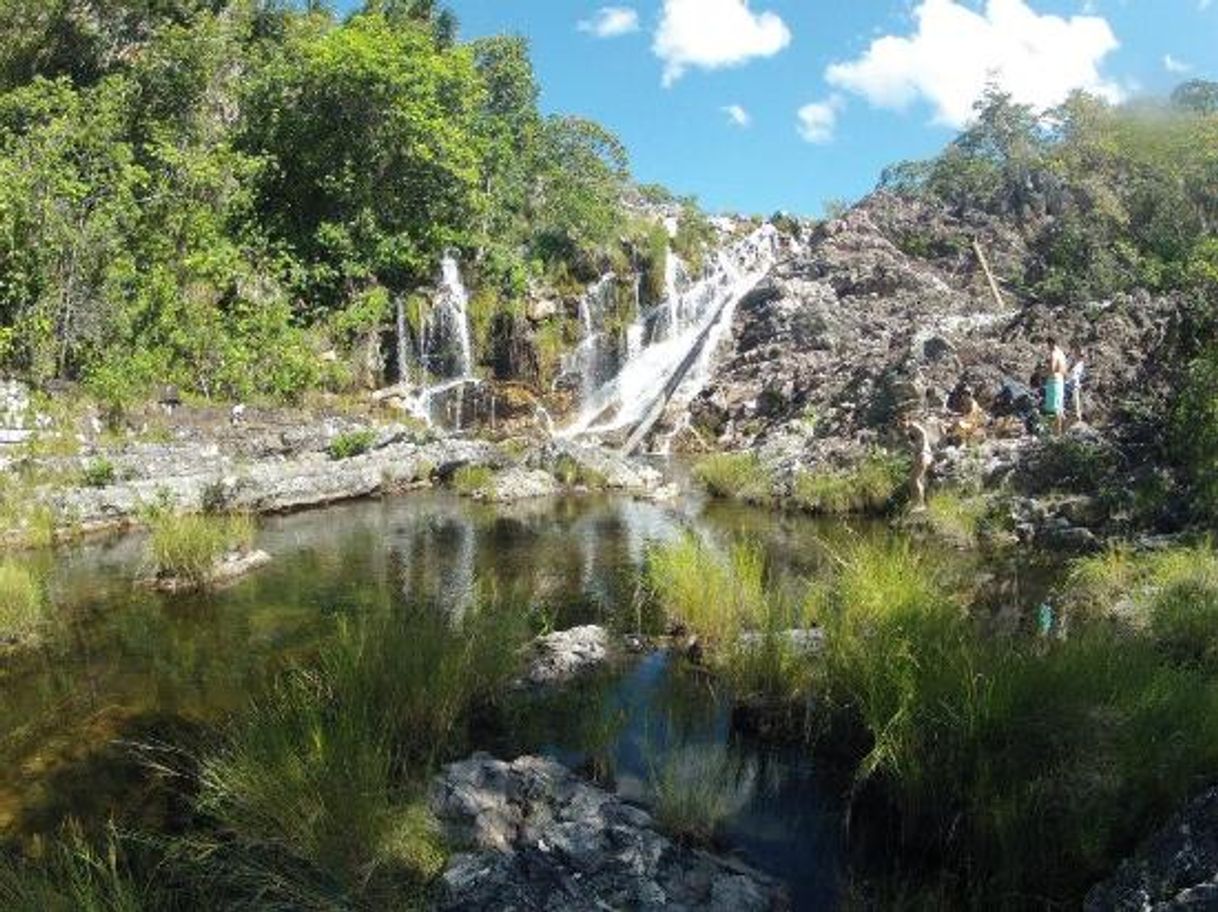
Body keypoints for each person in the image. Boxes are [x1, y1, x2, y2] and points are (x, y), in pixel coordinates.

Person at [902, 416, 934, 510]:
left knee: (914, 480)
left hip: (923, 455)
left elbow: (922, 433)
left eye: (903, 420)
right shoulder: (912, 434)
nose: (901, 424)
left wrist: (910, 424)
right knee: (917, 480)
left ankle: (919, 504)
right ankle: (917, 503)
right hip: (924, 456)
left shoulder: (917, 430)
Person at [1044, 338, 1068, 434]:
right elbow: (1065, 371)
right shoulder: (1062, 354)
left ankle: (1056, 433)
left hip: (1053, 381)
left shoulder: (1054, 354)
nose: (1048, 347)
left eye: (1048, 344)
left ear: (1052, 343)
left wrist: (1043, 373)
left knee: (1055, 409)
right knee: (1060, 407)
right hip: (1060, 380)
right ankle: (1064, 431)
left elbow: (1052, 369)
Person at [1066, 348, 1085, 424]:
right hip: (1066, 384)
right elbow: (1065, 369)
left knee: (1075, 400)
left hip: (1074, 385)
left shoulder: (1081, 364)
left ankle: (1077, 418)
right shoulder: (1070, 360)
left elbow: (1077, 375)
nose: (1081, 357)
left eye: (1082, 356)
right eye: (1080, 355)